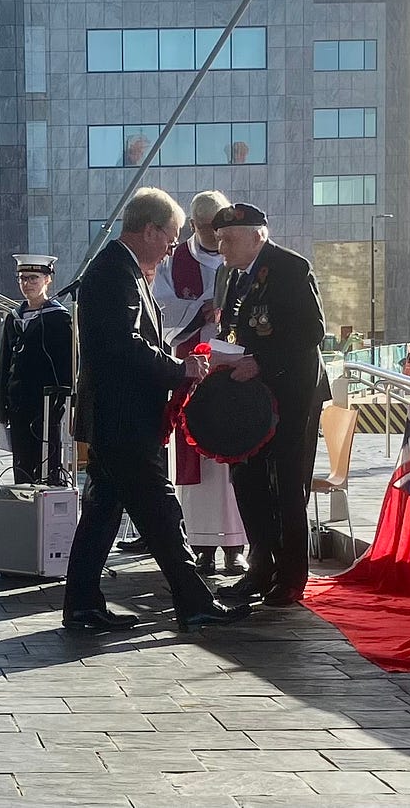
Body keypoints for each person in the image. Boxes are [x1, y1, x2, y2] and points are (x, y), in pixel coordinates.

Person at [62, 188, 250, 633]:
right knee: (160, 509)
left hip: (117, 416)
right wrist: (180, 368)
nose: (171, 246)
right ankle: (193, 601)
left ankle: (83, 604)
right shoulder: (114, 273)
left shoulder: (122, 269)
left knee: (103, 513)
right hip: (123, 417)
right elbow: (124, 345)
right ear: (149, 230)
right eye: (170, 235)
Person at [212, 203, 331, 607]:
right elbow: (233, 328)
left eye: (228, 239)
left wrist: (261, 362)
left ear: (256, 235)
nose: (221, 246)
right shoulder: (232, 276)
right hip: (251, 397)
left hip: (291, 394)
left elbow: (312, 331)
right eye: (219, 238)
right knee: (247, 480)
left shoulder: (290, 269)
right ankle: (261, 566)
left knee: (286, 484)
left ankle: (292, 576)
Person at [152, 189, 249, 578]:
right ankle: (203, 546)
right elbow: (161, 313)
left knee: (233, 463)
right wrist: (201, 308)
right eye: (207, 228)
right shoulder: (174, 262)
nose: (215, 236)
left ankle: (236, 546)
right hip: (193, 374)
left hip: (232, 375)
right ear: (194, 225)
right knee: (199, 466)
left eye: (220, 227)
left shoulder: (241, 258)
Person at [0, 254, 74, 486]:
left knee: (47, 467)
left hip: (47, 405)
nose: (26, 284)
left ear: (47, 280)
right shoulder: (14, 318)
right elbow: (4, 367)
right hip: (19, 405)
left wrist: (66, 404)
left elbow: (67, 364)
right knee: (22, 469)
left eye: (33, 278)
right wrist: (1, 412)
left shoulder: (59, 318)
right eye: (22, 278)